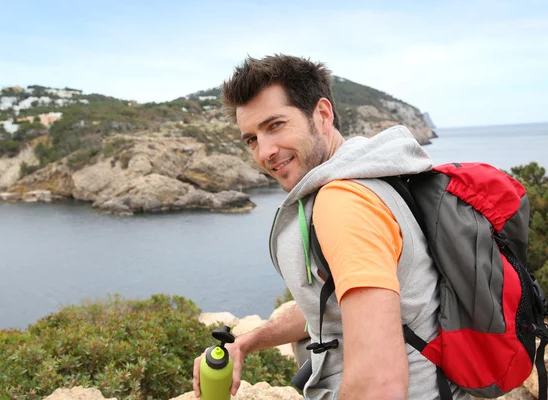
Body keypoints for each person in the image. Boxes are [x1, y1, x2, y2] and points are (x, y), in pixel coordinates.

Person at [193, 55, 470, 400]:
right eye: (251, 139)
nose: (265, 152)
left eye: (276, 125)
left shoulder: (344, 204)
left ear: (322, 115)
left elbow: (379, 383)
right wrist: (246, 343)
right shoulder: (367, 175)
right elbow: (332, 305)